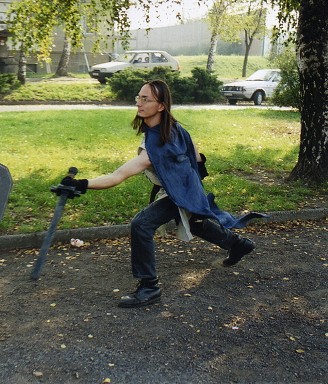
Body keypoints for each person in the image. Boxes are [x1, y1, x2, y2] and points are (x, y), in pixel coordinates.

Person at [61, 79, 264, 309]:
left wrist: (81, 184)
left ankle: (149, 287)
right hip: (187, 189)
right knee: (193, 223)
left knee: (141, 224)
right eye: (138, 97)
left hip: (180, 192)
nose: (139, 103)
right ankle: (237, 244)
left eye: (145, 99)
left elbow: (118, 175)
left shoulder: (155, 147)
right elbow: (197, 155)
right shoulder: (176, 128)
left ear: (160, 106)